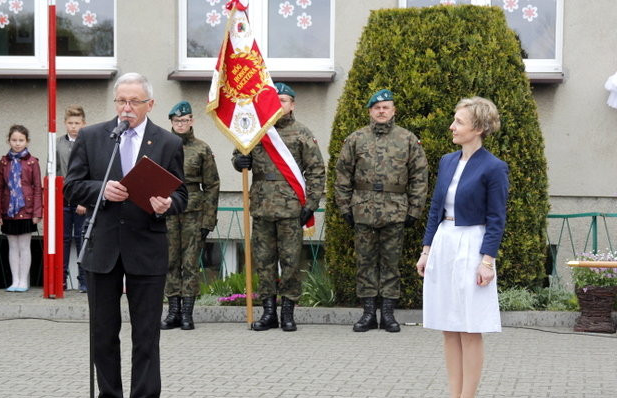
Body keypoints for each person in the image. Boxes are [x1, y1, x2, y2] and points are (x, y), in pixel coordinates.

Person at [64, 73, 188, 398]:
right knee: (103, 331)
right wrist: (101, 192)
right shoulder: (92, 136)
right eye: (121, 101)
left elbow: (182, 194)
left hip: (146, 246)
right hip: (102, 246)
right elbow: (72, 187)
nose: (126, 108)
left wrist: (168, 203)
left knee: (146, 332)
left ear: (150, 105)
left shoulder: (166, 142)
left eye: (134, 102)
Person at [415, 96, 509, 398]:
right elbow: (435, 207)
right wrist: (426, 250)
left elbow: (497, 218)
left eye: (459, 122)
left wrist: (487, 261)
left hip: (473, 245)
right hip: (445, 242)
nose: (452, 127)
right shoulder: (446, 161)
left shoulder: (494, 167)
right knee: (449, 326)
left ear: (479, 128)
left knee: (470, 328)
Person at [232, 82, 325, 332]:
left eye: (284, 100)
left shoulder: (302, 132)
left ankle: (288, 313)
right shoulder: (256, 130)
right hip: (262, 206)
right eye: (276, 100)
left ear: (292, 105)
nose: (279, 104)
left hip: (291, 209)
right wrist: (239, 160)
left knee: (291, 261)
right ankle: (268, 312)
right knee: (264, 262)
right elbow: (238, 156)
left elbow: (316, 170)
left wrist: (312, 204)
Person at [335, 89, 428, 333]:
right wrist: (345, 206)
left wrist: (414, 210)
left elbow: (419, 176)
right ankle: (368, 314)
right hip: (363, 209)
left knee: (391, 263)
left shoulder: (408, 139)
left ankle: (387, 314)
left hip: (395, 210)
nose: (381, 111)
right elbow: (342, 175)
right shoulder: (356, 139)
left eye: (386, 107)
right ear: (370, 111)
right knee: (365, 262)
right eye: (377, 108)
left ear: (394, 110)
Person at [161, 101, 220, 331]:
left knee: (189, 264)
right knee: (170, 261)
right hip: (168, 210)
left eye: (184, 120)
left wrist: (209, 219)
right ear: (172, 123)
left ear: (192, 121)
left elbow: (212, 185)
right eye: (177, 121)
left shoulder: (202, 149)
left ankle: (187, 312)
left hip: (194, 213)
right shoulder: (163, 146)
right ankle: (173, 311)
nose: (181, 124)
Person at [0, 125, 43, 292]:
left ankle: (24, 281)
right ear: (8, 141)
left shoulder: (32, 162)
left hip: (26, 209)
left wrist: (37, 212)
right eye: (14, 140)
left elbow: (38, 187)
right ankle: (15, 280)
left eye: (21, 140)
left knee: (24, 246)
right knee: (12, 246)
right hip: (9, 210)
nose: (17, 143)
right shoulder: (3, 162)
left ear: (27, 141)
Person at [56, 105, 88, 292]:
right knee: (64, 239)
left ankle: (83, 280)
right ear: (65, 123)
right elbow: (53, 172)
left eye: (77, 123)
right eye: (70, 123)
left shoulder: (87, 142)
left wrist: (84, 200)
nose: (73, 126)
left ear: (83, 124)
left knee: (82, 238)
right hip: (63, 198)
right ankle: (61, 278)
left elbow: (90, 172)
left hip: (81, 198)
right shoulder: (59, 143)